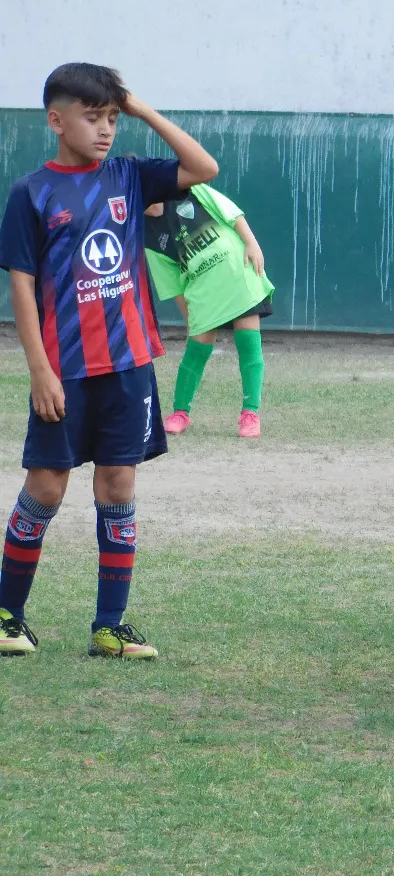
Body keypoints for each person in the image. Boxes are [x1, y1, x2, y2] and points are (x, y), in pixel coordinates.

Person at [0, 63, 218, 658]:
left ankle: (109, 626)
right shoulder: (31, 192)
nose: (105, 130)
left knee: (117, 485)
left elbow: (204, 169)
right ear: (56, 120)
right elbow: (22, 286)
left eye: (112, 118)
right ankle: (6, 616)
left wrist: (143, 110)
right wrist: (39, 370)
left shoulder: (129, 176)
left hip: (129, 365)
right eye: (92, 117)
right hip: (64, 369)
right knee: (45, 487)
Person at [143, 184, 273, 438]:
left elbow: (232, 213)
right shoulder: (147, 235)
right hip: (201, 288)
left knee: (248, 342)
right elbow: (173, 283)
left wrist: (252, 244)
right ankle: (180, 413)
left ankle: (250, 414)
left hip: (237, 271)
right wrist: (188, 317)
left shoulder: (191, 190)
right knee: (197, 348)